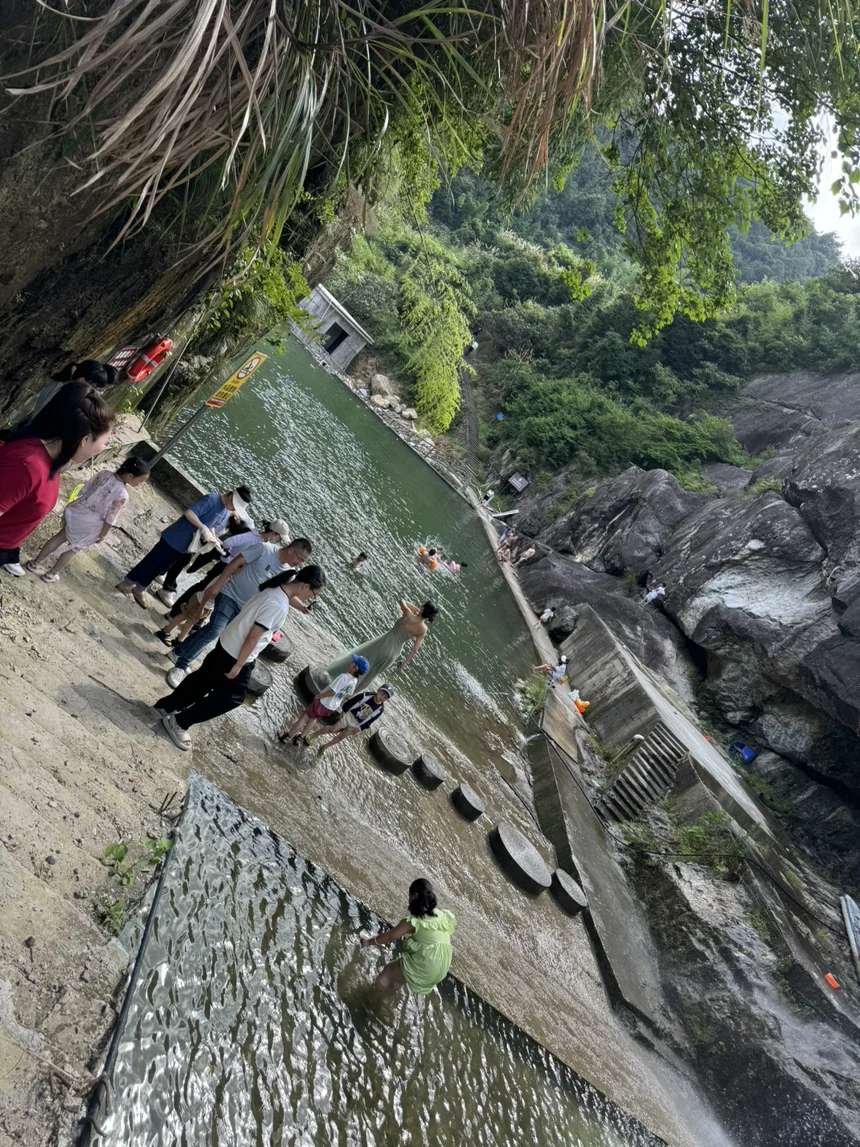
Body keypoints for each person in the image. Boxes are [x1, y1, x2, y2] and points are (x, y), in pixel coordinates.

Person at [156, 566, 326, 751]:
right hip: (237, 653)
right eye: (314, 594)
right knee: (232, 698)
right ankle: (179, 722)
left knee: (204, 679)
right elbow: (254, 636)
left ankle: (167, 706)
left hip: (228, 640)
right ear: (305, 586)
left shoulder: (276, 586)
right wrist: (239, 665)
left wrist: (300, 607)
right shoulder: (278, 605)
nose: (311, 598)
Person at [166, 536, 313, 686]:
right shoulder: (264, 549)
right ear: (291, 550)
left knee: (214, 632)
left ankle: (179, 652)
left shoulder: (290, 573)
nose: (300, 563)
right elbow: (236, 562)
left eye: (303, 562)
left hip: (246, 610)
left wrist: (301, 607)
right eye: (300, 559)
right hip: (229, 595)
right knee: (215, 631)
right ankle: (181, 666)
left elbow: (286, 593)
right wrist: (218, 585)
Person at [0, 386, 115, 576]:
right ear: (86, 439)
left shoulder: (53, 461)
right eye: (105, 441)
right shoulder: (28, 465)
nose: (104, 447)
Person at [116, 485, 252, 608]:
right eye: (235, 506)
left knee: (160, 568)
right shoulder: (211, 499)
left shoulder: (225, 511)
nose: (234, 510)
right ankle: (127, 583)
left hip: (186, 546)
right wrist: (202, 527)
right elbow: (190, 513)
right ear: (231, 497)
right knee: (152, 562)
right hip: (175, 538)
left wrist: (213, 539)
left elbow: (213, 526)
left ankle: (140, 588)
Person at [25, 456, 150, 583]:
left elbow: (85, 489)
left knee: (60, 537)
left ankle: (34, 563)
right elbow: (110, 518)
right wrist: (103, 534)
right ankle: (50, 574)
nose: (140, 484)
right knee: (73, 549)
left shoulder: (104, 474)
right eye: (141, 481)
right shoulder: (123, 495)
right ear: (130, 476)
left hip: (76, 510)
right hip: (90, 522)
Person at [162, 518, 290, 612]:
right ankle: (176, 611)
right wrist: (230, 555)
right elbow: (228, 542)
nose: (279, 542)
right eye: (279, 538)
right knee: (202, 588)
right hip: (225, 567)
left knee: (208, 594)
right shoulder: (252, 537)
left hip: (233, 571)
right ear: (273, 533)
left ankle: (187, 615)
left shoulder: (265, 544)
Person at [359, 878, 455, 996]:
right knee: (398, 976)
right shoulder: (441, 915)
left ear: (414, 896)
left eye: (409, 896)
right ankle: (385, 998)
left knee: (389, 971)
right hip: (442, 965)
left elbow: (390, 936)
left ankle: (369, 997)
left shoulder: (414, 920)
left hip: (427, 962)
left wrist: (368, 942)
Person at [323, 600, 437, 689]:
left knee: (361, 663)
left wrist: (416, 609)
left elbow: (402, 601)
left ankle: (333, 681)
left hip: (383, 643)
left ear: (423, 608)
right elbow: (415, 649)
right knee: (371, 674)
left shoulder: (408, 614)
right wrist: (405, 662)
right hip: (394, 653)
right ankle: (348, 695)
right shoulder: (423, 629)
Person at [279, 655, 369, 746]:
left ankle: (287, 736)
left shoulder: (344, 677)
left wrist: (320, 696)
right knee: (313, 718)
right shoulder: (354, 681)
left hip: (323, 702)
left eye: (353, 662)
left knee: (304, 718)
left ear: (355, 668)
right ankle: (300, 738)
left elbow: (333, 692)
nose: (350, 662)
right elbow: (347, 695)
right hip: (331, 707)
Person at [14, 360, 116, 429]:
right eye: (94, 387)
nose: (94, 391)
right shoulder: (63, 394)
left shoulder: (61, 384)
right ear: (81, 380)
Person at [308, 684, 394, 754]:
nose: (382, 697)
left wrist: (360, 728)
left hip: (356, 724)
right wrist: (343, 711)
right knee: (333, 729)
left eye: (385, 697)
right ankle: (314, 735)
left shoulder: (380, 709)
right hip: (349, 715)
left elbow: (370, 721)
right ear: (378, 690)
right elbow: (352, 701)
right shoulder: (366, 695)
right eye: (382, 694)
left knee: (341, 737)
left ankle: (324, 747)